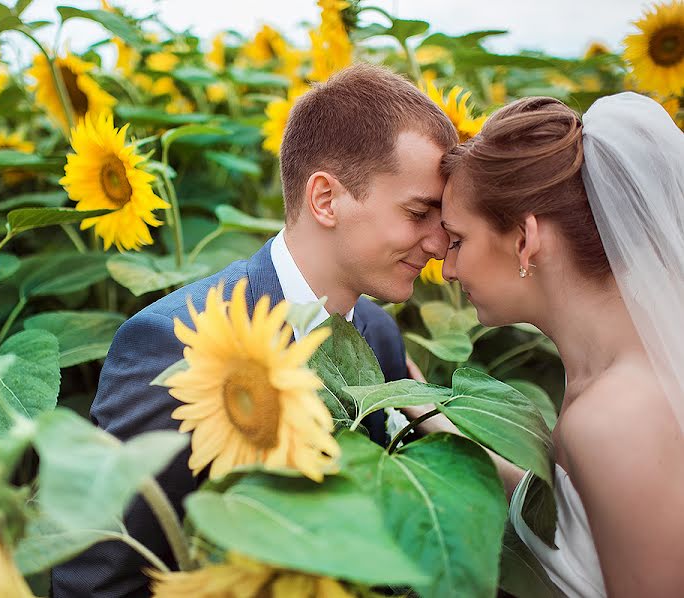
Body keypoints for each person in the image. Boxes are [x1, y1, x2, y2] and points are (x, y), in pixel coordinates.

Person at [51, 62, 458, 597]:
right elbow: (100, 577)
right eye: (417, 213)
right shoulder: (175, 339)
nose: (437, 242)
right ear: (325, 199)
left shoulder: (378, 336)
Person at [417, 92, 684, 597]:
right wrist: (429, 417)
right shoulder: (606, 377)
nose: (447, 268)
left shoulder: (614, 420)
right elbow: (567, 516)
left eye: (457, 240)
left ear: (525, 239)